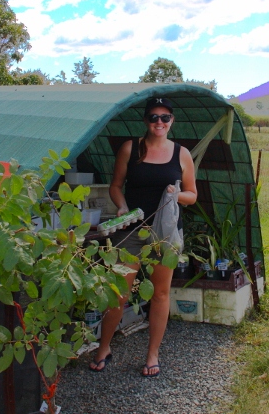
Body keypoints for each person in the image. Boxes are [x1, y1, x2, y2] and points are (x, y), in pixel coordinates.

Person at [89, 96, 197, 377]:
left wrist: (176, 195)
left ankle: (152, 355)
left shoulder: (181, 154)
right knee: (118, 293)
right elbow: (115, 185)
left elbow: (192, 195)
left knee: (160, 294)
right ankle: (104, 347)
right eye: (153, 117)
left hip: (165, 234)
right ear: (145, 120)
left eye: (165, 117)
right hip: (132, 231)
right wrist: (122, 206)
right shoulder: (130, 148)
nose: (159, 122)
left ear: (172, 121)